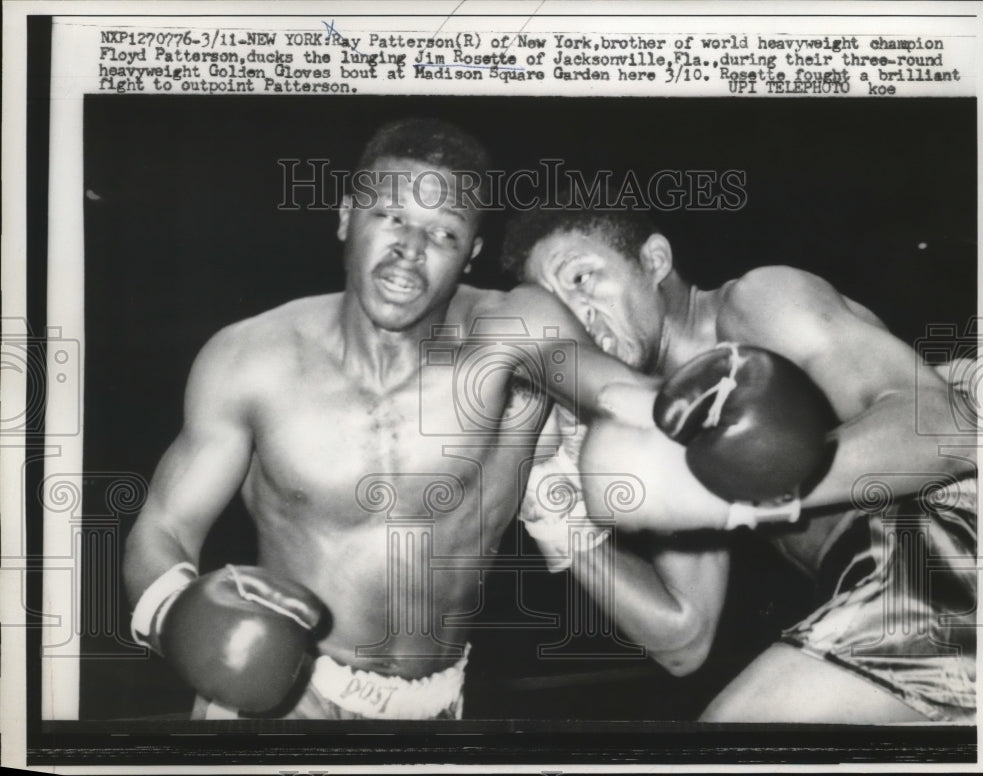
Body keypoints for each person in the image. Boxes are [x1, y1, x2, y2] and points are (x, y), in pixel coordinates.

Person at [122, 118, 723, 721]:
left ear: (471, 255)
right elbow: (164, 525)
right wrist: (176, 612)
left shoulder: (511, 327)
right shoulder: (251, 358)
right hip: (283, 697)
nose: (411, 248)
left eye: (444, 232)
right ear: (345, 217)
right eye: (391, 216)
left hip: (435, 707)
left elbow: (615, 390)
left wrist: (717, 400)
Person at [502, 206, 978, 723]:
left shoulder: (757, 302)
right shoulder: (670, 424)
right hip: (891, 589)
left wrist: (731, 498)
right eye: (557, 307)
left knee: (734, 737)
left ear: (654, 260)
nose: (578, 314)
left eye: (581, 278)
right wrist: (549, 502)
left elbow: (948, 429)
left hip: (948, 535)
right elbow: (682, 638)